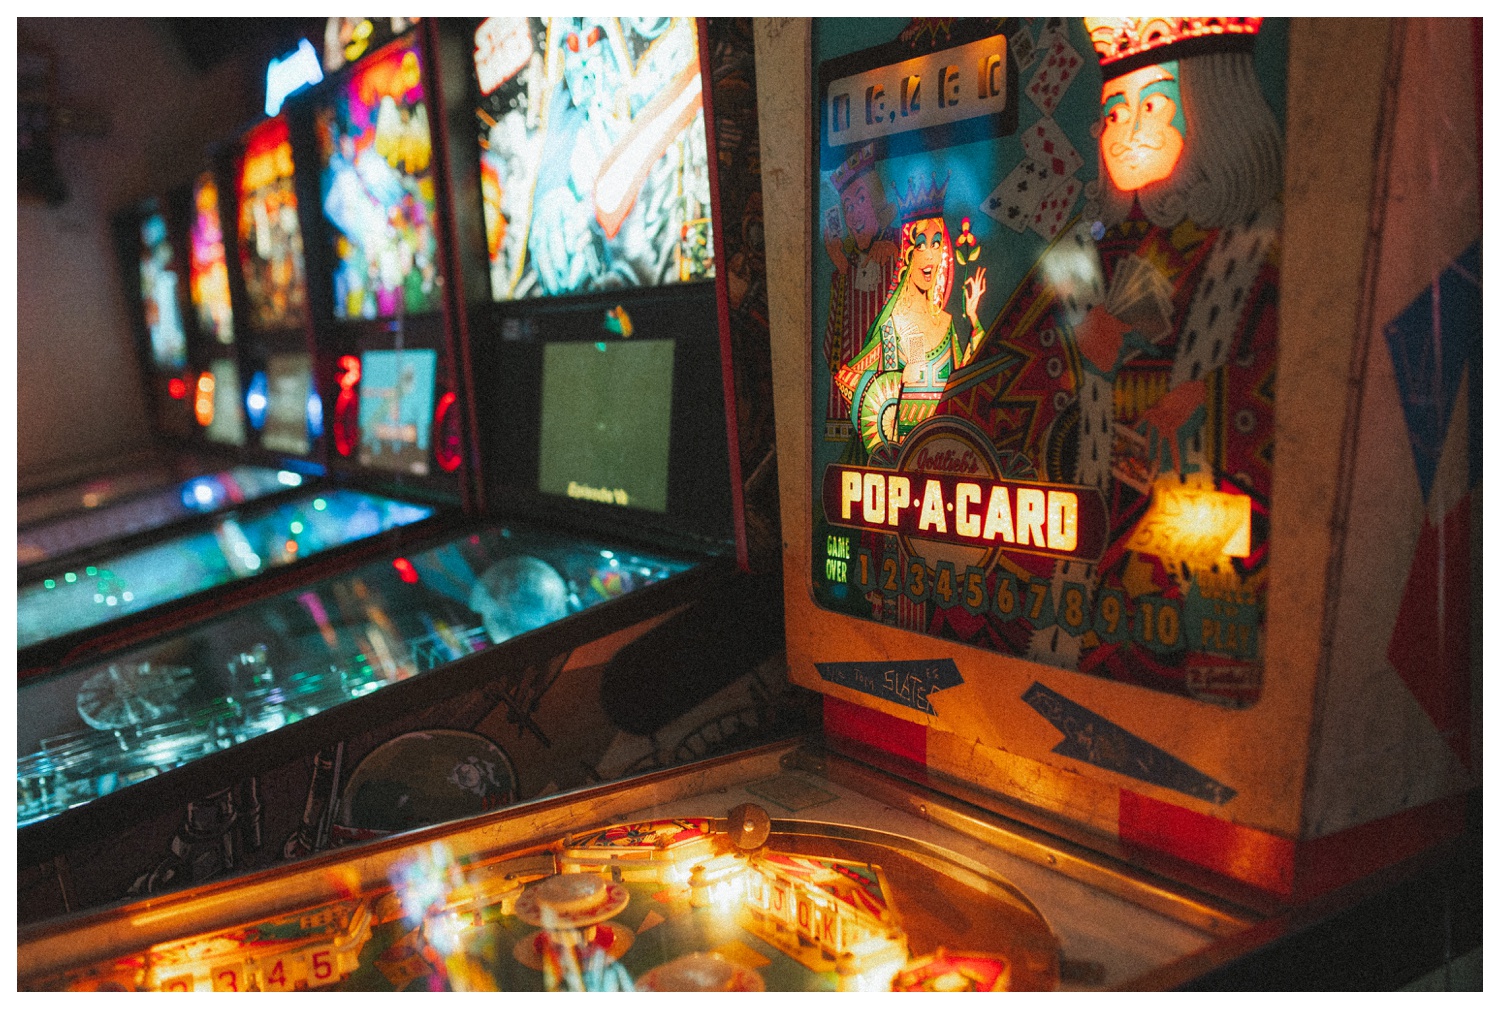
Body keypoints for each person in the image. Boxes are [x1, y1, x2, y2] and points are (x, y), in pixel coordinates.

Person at [833, 177, 987, 464]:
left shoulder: (945, 321)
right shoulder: (895, 324)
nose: (930, 254)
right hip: (904, 462)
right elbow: (855, 384)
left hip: (947, 455)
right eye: (921, 244)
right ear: (907, 252)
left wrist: (974, 317)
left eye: (937, 243)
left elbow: (962, 384)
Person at [821, 143, 900, 441]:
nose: (853, 215)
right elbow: (836, 347)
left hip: (886, 398)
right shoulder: (848, 265)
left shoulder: (897, 250)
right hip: (850, 403)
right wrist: (841, 264)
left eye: (861, 200)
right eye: (848, 207)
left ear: (879, 203)